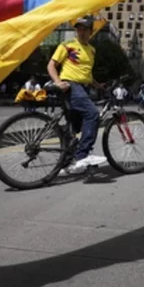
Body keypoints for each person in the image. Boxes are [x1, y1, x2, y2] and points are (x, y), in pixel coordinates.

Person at [46, 16, 108, 174]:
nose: (81, 31)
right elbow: (51, 65)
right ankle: (82, 156)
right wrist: (58, 81)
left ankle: (66, 164)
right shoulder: (68, 45)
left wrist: (98, 85)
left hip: (83, 88)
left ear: (90, 32)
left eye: (85, 29)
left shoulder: (92, 50)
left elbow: (86, 73)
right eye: (79, 28)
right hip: (71, 86)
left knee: (74, 128)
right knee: (93, 115)